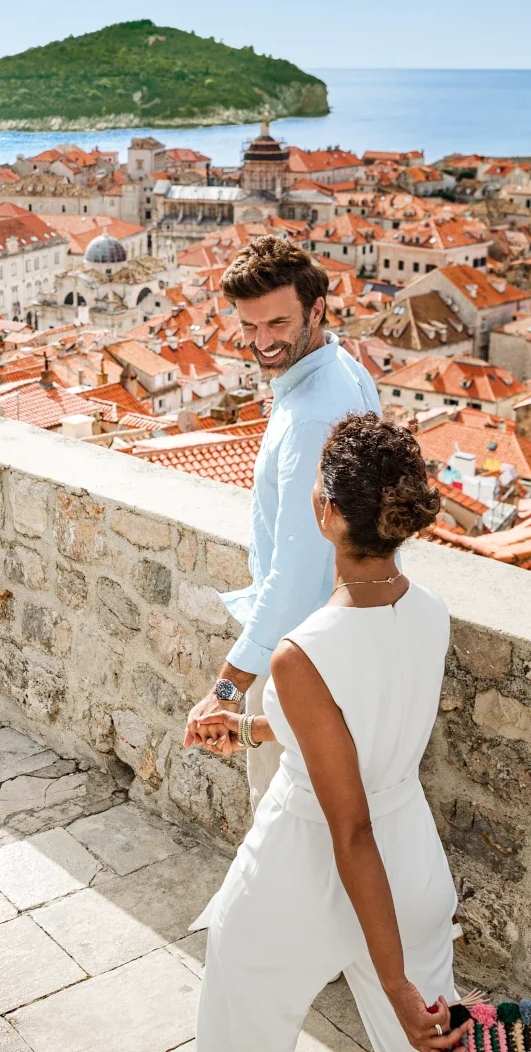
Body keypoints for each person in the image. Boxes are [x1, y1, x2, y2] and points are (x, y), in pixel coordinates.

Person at [194, 415, 467, 1052]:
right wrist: (253, 728)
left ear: (330, 513)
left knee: (239, 1029)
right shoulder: (431, 612)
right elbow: (362, 727)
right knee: (432, 1044)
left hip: (301, 871)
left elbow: (351, 829)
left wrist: (395, 984)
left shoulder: (302, 653)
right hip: (412, 864)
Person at [183, 236, 381, 805]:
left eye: (277, 323)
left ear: (316, 310)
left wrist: (226, 689)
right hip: (337, 635)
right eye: (249, 325)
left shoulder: (313, 412)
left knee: (280, 806)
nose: (262, 342)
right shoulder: (341, 368)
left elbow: (294, 574)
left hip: (303, 652)